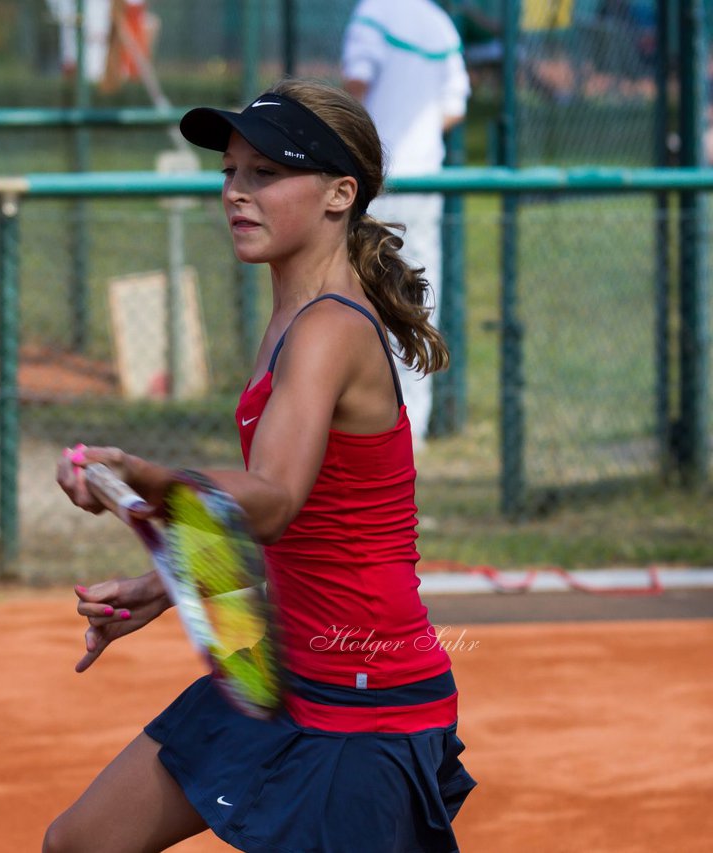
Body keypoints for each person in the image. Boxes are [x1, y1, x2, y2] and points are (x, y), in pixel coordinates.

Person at [45, 78, 476, 853]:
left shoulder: (329, 328)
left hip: (363, 699)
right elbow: (305, 526)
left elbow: (272, 500)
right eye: (230, 172)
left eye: (266, 174)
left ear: (340, 193)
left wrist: (139, 475)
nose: (237, 193)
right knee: (81, 842)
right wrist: (170, 579)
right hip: (277, 673)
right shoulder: (289, 316)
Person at [342, 0, 470, 444]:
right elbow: (455, 106)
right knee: (416, 299)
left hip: (378, 181)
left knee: (363, 294)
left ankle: (373, 425)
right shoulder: (440, 24)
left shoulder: (373, 13)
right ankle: (410, 426)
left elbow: (355, 88)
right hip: (424, 178)